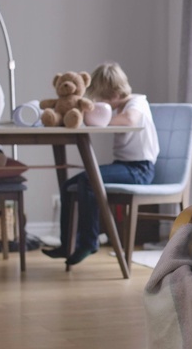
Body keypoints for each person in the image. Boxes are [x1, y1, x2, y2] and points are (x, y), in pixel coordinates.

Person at [42, 62, 159, 266]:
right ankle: (67, 244)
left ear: (113, 92)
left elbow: (131, 120)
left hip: (139, 169)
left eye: (102, 96)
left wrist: (99, 118)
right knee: (68, 185)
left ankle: (89, 241)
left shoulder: (137, 103)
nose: (99, 101)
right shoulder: (117, 108)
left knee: (88, 181)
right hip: (124, 165)